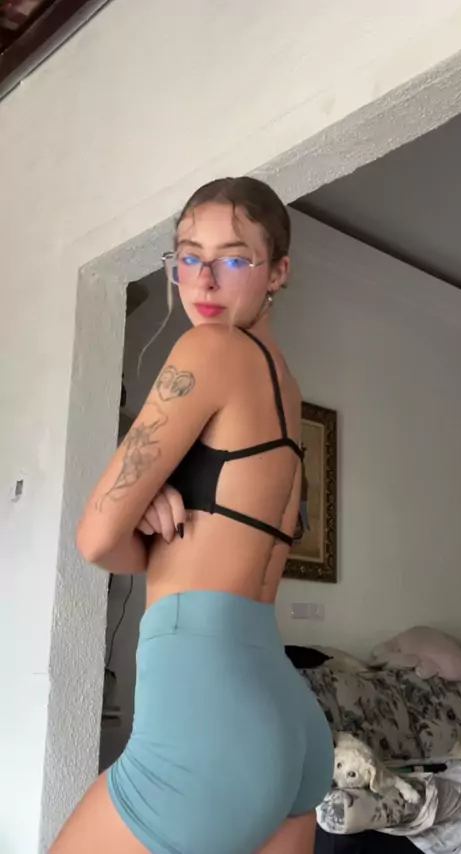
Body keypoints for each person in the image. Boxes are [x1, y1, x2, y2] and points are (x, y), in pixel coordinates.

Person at [50, 177, 333, 854]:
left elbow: (95, 539)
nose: (202, 279)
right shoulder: (285, 387)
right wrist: (145, 513)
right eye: (187, 255)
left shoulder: (210, 349)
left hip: (207, 711)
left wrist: (132, 516)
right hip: (290, 724)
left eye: (233, 258)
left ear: (278, 272)